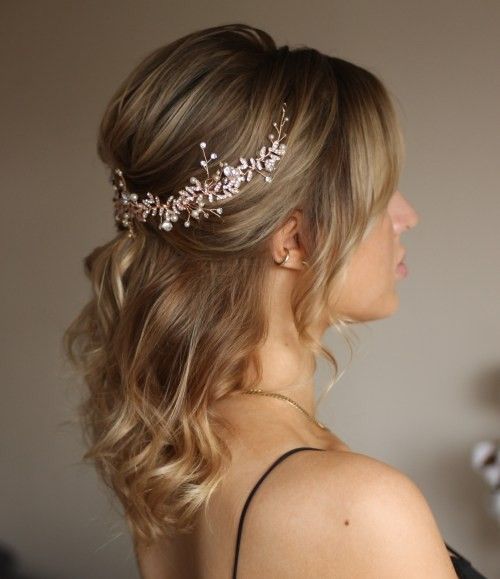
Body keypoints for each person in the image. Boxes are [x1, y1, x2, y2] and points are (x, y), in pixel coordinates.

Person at [63, 23, 487, 579]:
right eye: (380, 193)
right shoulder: (359, 507)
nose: (407, 216)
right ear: (292, 239)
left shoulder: (184, 453)